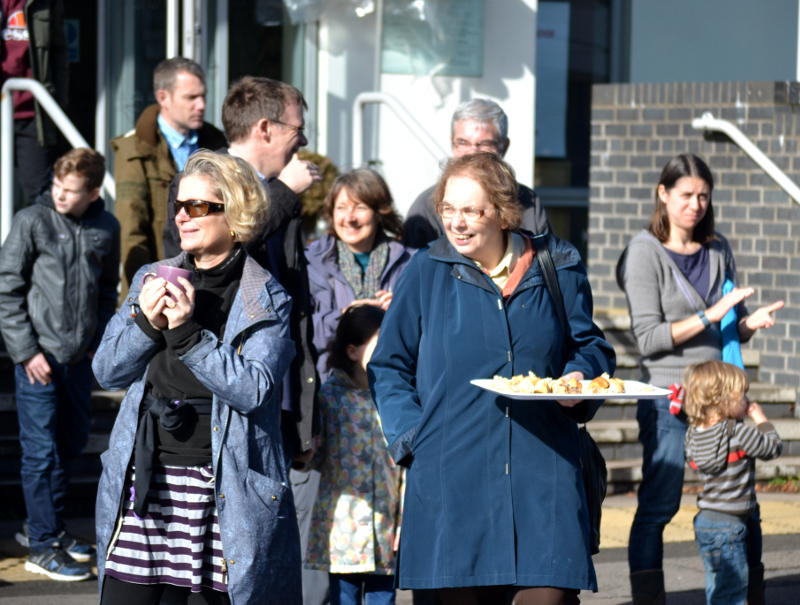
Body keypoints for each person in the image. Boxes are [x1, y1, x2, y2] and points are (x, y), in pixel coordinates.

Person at [369, 151, 615, 605]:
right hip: (451, 479)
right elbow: (388, 364)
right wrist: (412, 438)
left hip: (543, 475)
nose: (457, 223)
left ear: (502, 212)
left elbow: (591, 345)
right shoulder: (427, 270)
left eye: (471, 210)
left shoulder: (556, 265)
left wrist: (578, 379)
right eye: (448, 209)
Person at [93, 150, 301, 604]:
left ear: (235, 214)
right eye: (180, 205)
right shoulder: (154, 276)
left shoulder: (265, 296)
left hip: (220, 492)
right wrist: (145, 326)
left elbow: (254, 390)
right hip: (147, 482)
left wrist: (187, 334)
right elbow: (107, 370)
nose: (183, 216)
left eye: (199, 206)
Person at [165, 75, 329, 605]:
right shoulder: (202, 181)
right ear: (266, 128)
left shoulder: (282, 191)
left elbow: (291, 306)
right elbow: (225, 252)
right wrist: (283, 193)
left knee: (264, 546)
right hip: (212, 406)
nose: (301, 143)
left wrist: (302, 409)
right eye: (296, 131)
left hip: (273, 394)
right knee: (214, 564)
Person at [615, 153, 784, 605]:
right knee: (659, 505)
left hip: (724, 395)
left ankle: (749, 596)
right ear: (663, 194)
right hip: (672, 398)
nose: (696, 205)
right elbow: (649, 339)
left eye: (704, 196)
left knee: (743, 503)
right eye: (686, 195)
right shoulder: (643, 253)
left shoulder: (718, 248)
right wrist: (711, 314)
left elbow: (732, 326)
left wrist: (751, 324)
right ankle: (648, 598)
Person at [0, 148, 119, 581]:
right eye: (57, 187)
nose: (61, 196)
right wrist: (26, 350)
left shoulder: (106, 226)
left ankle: (44, 528)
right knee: (40, 453)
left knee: (70, 445)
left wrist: (97, 341)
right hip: (37, 358)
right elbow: (7, 289)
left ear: (91, 193)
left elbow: (108, 291)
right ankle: (44, 546)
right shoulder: (32, 221)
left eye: (71, 191)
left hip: (77, 359)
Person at [305, 304, 401, 605]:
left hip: (385, 527)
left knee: (383, 598)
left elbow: (405, 467)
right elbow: (313, 458)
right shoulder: (329, 397)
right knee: (343, 599)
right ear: (352, 351)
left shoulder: (395, 396)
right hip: (341, 533)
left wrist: (403, 522)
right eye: (379, 345)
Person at [113, 56, 227, 299]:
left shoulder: (218, 146)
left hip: (212, 285)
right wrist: (145, 290)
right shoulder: (135, 150)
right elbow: (131, 230)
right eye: (191, 98)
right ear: (163, 97)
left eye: (203, 96)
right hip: (160, 285)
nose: (201, 105)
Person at [683, 360, 782, 605]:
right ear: (722, 399)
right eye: (743, 395)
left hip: (707, 521)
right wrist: (760, 419)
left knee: (718, 586)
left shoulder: (692, 434)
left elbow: (694, 463)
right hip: (732, 525)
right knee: (733, 592)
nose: (747, 400)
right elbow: (772, 448)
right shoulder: (739, 432)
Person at [306, 168, 414, 377]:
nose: (349, 218)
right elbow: (303, 334)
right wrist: (343, 316)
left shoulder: (410, 263)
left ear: (379, 212)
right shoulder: (311, 262)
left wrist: (401, 310)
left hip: (392, 384)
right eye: (341, 208)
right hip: (328, 386)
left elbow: (425, 334)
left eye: (360, 207)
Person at [403, 98, 550, 248]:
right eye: (463, 143)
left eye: (485, 144)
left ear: (504, 147)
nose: (472, 152)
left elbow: (548, 260)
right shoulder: (426, 206)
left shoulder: (527, 202)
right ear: (452, 144)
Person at [1, 0, 67, 207]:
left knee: (39, 193)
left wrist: (58, 105)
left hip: (33, 113)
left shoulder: (44, 3)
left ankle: (35, 239)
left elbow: (58, 53)